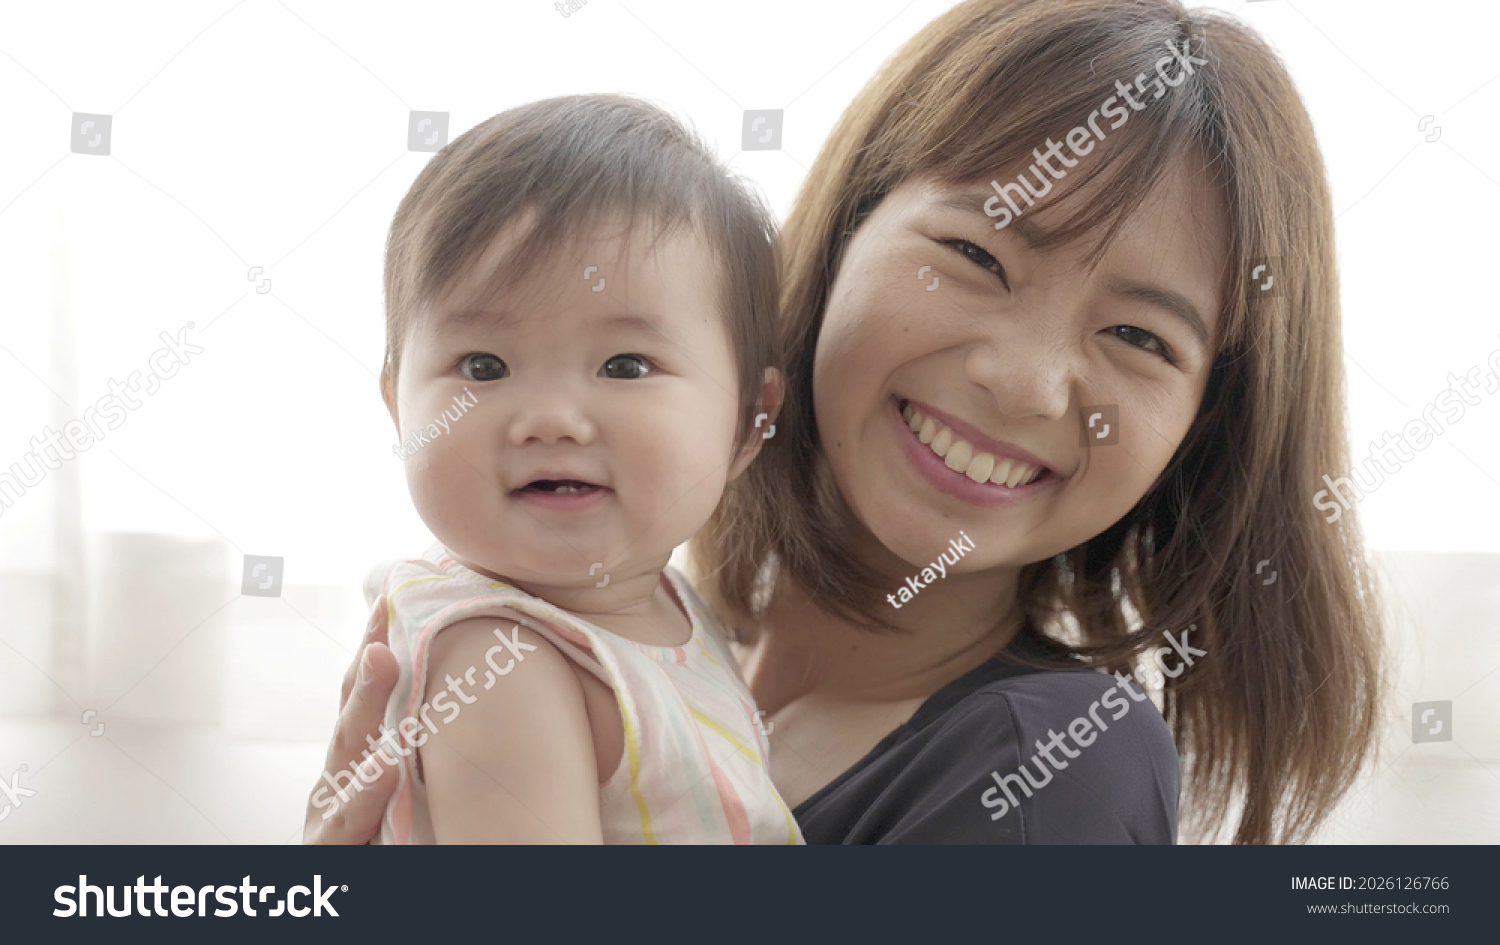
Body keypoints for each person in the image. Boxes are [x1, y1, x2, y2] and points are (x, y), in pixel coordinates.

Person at [306, 0, 1383, 845]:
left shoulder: (1051, 774)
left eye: (1143, 339)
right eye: (976, 256)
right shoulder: (647, 636)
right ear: (839, 239)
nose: (1025, 384)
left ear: (1204, 428)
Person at [319, 93, 800, 844]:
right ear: (398, 407)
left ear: (748, 421)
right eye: (483, 365)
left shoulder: (666, 603)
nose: (549, 417)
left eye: (625, 364)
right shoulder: (502, 662)